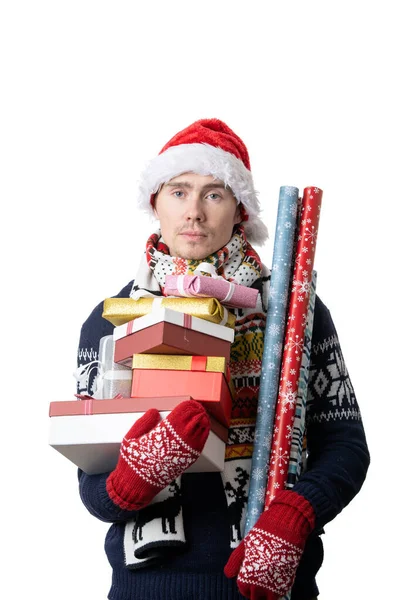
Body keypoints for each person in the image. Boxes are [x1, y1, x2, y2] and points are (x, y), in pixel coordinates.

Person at [76, 118, 370, 600]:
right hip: (147, 588)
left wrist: (293, 516)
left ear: (239, 210)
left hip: (269, 583)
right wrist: (135, 477)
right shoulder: (113, 321)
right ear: (156, 202)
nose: (194, 212)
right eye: (178, 191)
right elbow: (92, 488)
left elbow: (346, 446)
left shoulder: (294, 311)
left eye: (214, 193)